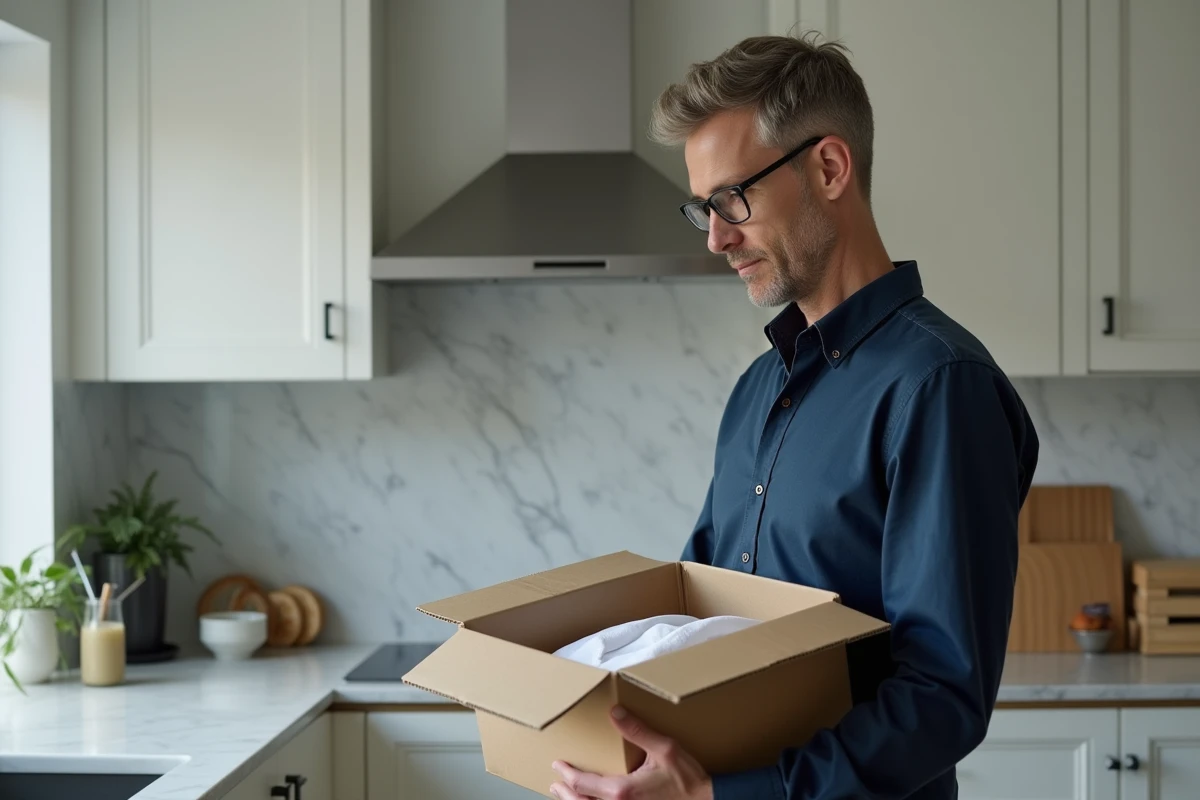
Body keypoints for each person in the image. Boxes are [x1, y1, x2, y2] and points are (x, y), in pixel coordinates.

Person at [550, 33, 1039, 800]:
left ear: (830, 167)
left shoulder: (941, 387)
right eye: (701, 208)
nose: (716, 237)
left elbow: (942, 695)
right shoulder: (757, 390)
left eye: (733, 199)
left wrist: (723, 795)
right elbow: (699, 618)